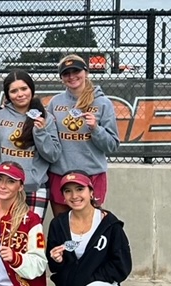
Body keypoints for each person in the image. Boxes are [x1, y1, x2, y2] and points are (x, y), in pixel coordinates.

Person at [47, 171, 131, 286]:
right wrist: (57, 260)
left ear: (91, 192)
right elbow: (54, 267)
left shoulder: (110, 224)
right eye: (68, 191)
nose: (74, 196)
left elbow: (122, 266)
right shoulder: (58, 224)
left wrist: (87, 280)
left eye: (80, 189)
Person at [47, 54, 120, 217]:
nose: (72, 76)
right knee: (64, 229)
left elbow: (112, 145)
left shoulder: (103, 103)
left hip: (92, 176)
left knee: (91, 231)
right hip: (60, 175)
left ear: (86, 72)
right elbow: (49, 140)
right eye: (66, 73)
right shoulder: (55, 103)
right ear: (61, 78)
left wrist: (96, 129)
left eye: (76, 71)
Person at [0, 70, 60, 219]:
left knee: (29, 236)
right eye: (14, 91)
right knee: (2, 234)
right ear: (7, 94)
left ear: (31, 89)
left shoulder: (46, 118)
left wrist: (41, 132)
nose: (20, 94)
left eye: (24, 89)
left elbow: (53, 155)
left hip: (33, 188)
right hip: (3, 187)